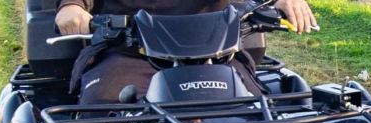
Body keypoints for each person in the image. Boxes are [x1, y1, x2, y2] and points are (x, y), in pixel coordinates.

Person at [55, 0, 317, 103]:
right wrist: (71, 6)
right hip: (128, 51)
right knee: (101, 112)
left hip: (216, 54)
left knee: (259, 113)